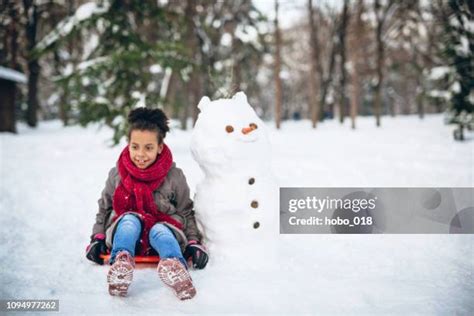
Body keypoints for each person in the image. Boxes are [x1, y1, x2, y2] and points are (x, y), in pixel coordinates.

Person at [85, 107, 208, 300]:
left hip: (163, 228)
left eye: (148, 147)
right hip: (124, 232)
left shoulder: (174, 176)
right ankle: (122, 263)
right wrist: (97, 237)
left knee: (160, 230)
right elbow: (105, 208)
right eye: (135, 146)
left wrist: (193, 241)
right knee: (129, 220)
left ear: (160, 147)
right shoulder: (117, 174)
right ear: (129, 144)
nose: (140, 154)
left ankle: (174, 266)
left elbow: (185, 211)